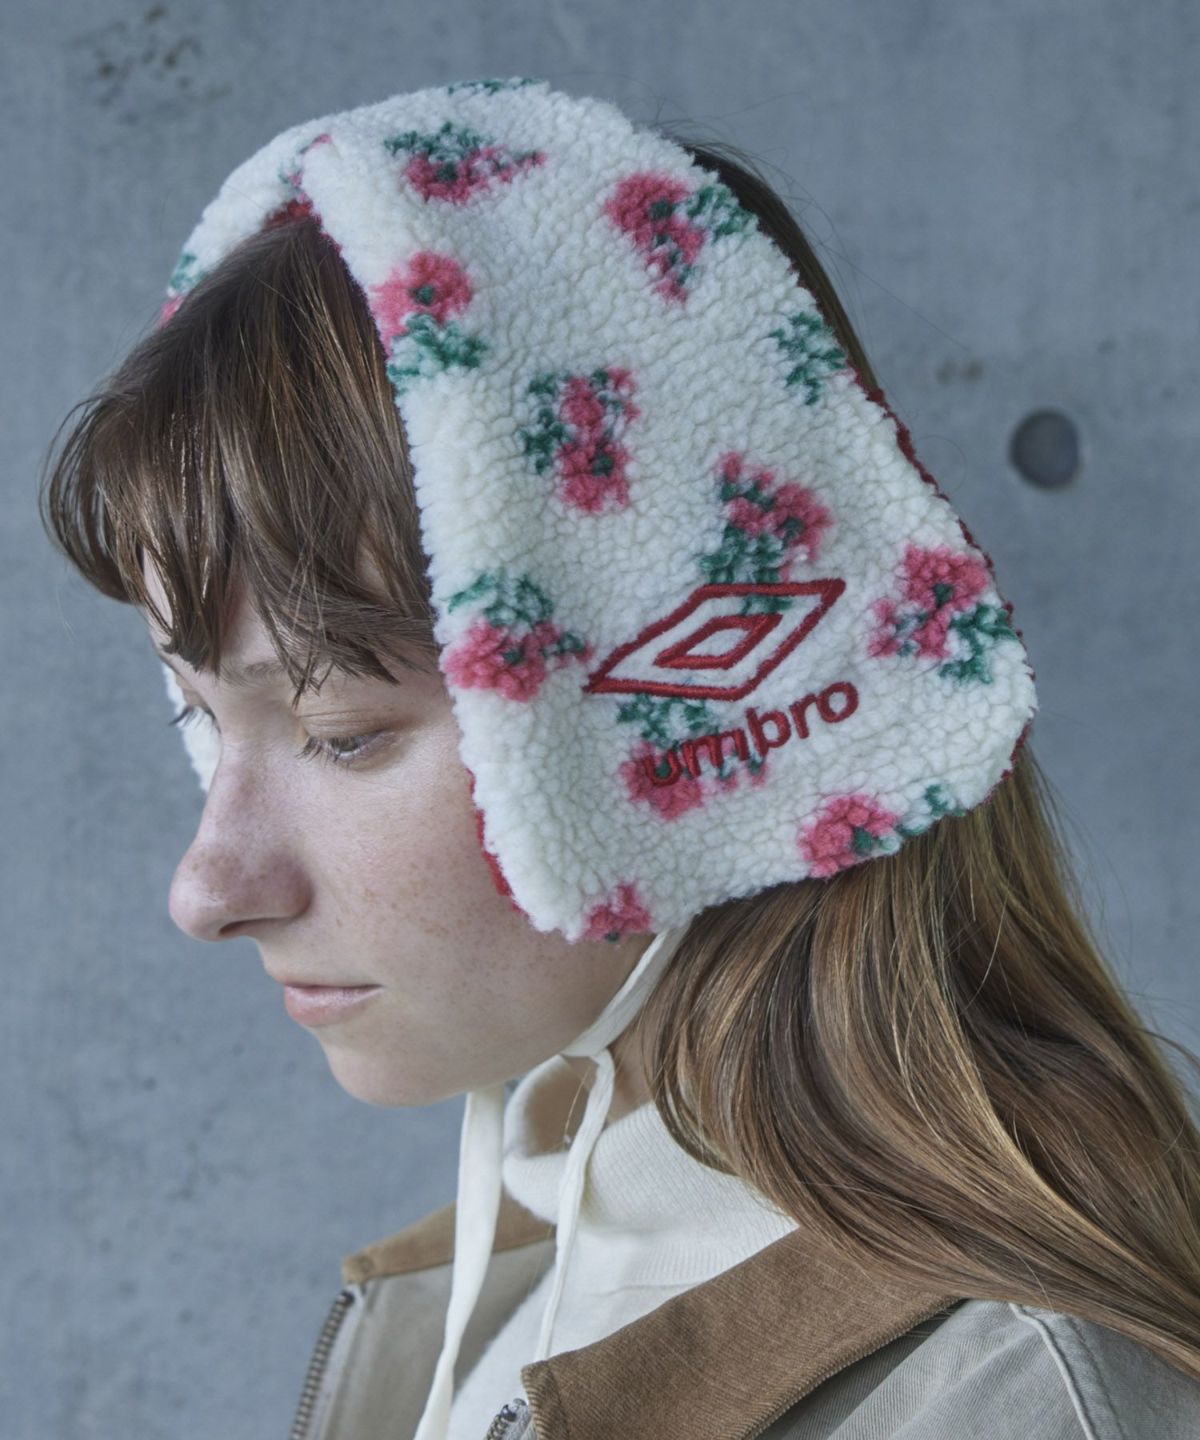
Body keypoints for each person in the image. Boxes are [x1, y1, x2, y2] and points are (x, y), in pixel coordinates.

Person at [39, 77, 1200, 1440]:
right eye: (194, 714)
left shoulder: (1015, 1400)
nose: (207, 888)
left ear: (689, 726)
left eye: (339, 735)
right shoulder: (506, 1301)